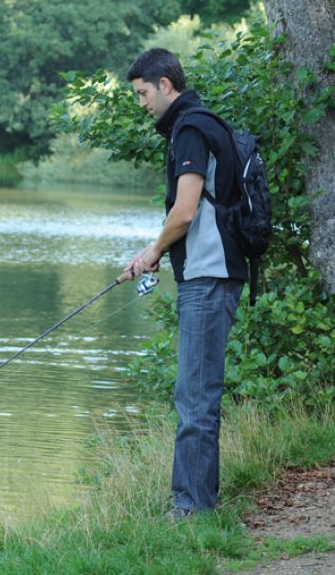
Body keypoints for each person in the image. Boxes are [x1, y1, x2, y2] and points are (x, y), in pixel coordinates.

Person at [120, 47, 248, 519]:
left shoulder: (190, 129)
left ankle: (190, 512)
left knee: (195, 399)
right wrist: (152, 255)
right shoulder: (199, 124)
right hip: (212, 273)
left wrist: (153, 252)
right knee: (198, 397)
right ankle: (196, 505)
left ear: (165, 85)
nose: (142, 104)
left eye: (142, 93)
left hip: (208, 278)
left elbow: (187, 210)